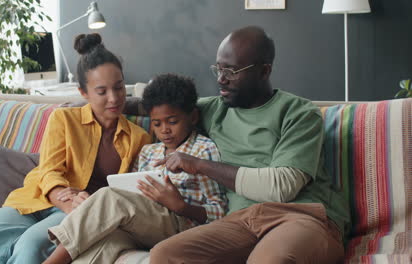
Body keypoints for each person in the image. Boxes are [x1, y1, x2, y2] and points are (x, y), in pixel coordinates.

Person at [149, 26, 350, 263]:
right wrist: (113, 101)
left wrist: (199, 165)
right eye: (219, 68)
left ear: (264, 71)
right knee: (165, 255)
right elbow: (162, 106)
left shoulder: (298, 112)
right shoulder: (215, 108)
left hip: (300, 216)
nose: (221, 79)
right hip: (239, 221)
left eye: (232, 71)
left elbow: (282, 187)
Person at [0, 33, 151, 264]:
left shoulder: (138, 138)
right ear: (84, 93)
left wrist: (80, 207)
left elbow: (128, 193)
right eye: (102, 91)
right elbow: (49, 169)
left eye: (120, 88)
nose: (114, 98)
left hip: (81, 213)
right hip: (34, 200)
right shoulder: (63, 118)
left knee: (30, 248)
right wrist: (64, 199)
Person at [42, 73, 227, 264]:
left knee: (110, 197)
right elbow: (131, 196)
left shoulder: (203, 150)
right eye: (157, 123)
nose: (164, 129)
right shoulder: (148, 152)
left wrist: (181, 206)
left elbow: (219, 211)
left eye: (172, 122)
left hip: (182, 225)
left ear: (193, 117)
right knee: (104, 243)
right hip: (143, 225)